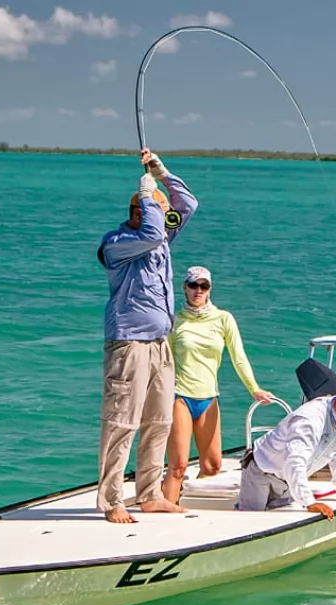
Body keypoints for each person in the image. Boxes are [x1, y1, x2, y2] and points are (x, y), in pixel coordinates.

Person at [96, 148, 199, 523]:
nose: (162, 215)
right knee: (122, 421)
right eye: (152, 206)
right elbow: (156, 230)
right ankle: (111, 501)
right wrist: (146, 188)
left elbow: (187, 205)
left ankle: (150, 493)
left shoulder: (158, 237)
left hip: (159, 344)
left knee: (159, 421)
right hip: (130, 343)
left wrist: (161, 172)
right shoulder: (118, 242)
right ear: (138, 210)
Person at [162, 265, 273, 503]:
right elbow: (164, 362)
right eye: (193, 285)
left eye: (204, 286)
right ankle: (164, 509)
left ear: (210, 289)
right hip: (179, 397)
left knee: (212, 466)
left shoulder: (223, 319)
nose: (198, 290)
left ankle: (191, 502)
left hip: (208, 398)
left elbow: (238, 357)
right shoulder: (174, 321)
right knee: (178, 466)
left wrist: (254, 388)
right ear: (184, 288)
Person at [236, 382, 336, 518]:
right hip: (262, 470)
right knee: (250, 519)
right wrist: (309, 502)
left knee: (283, 522)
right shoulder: (310, 420)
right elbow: (294, 462)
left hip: (288, 480)